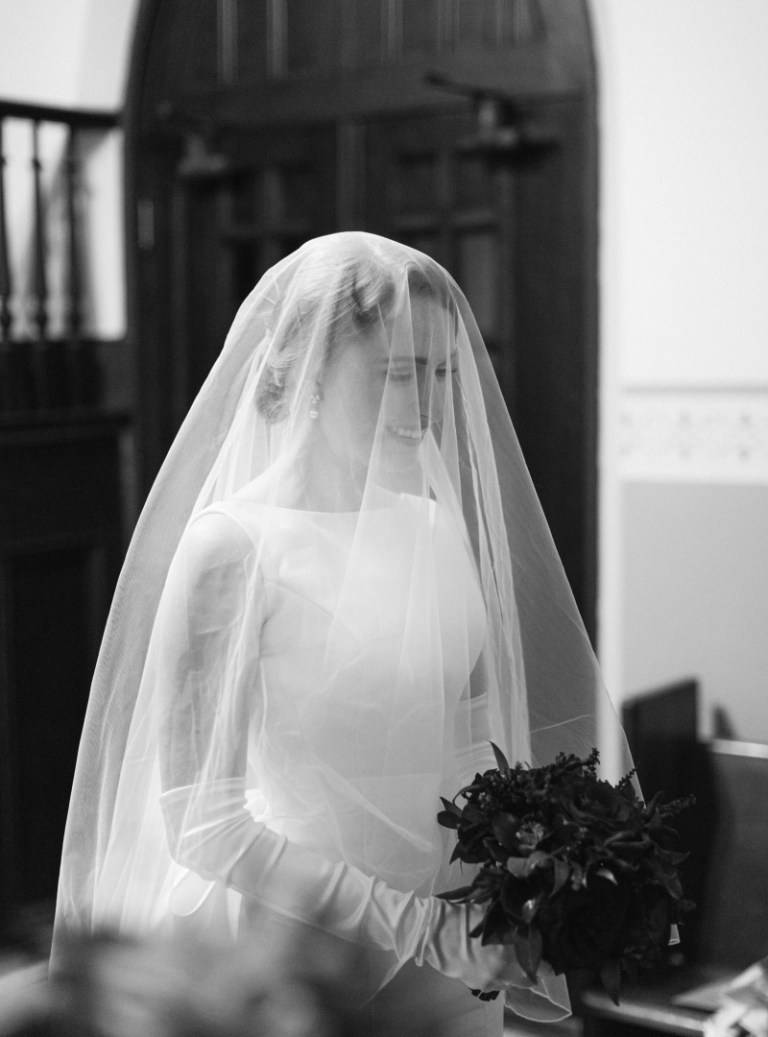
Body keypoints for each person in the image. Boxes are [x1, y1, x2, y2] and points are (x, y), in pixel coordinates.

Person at [54, 232, 634, 1036]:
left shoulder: (432, 524)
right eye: (398, 374)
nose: (427, 406)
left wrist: (531, 875)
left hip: (454, 937)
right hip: (290, 947)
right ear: (307, 371)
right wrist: (420, 926)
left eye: (441, 374)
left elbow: (470, 741)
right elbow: (202, 820)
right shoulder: (233, 546)